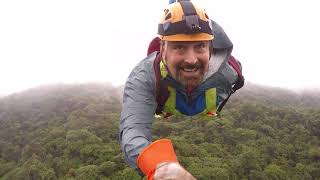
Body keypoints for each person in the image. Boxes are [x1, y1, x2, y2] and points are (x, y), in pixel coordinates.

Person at [119, 1, 243, 179]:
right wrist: (160, 166)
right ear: (162, 49)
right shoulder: (144, 76)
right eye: (179, 47)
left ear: (210, 48)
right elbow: (132, 131)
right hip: (172, 102)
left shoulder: (228, 72)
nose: (191, 59)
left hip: (202, 103)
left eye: (200, 46)